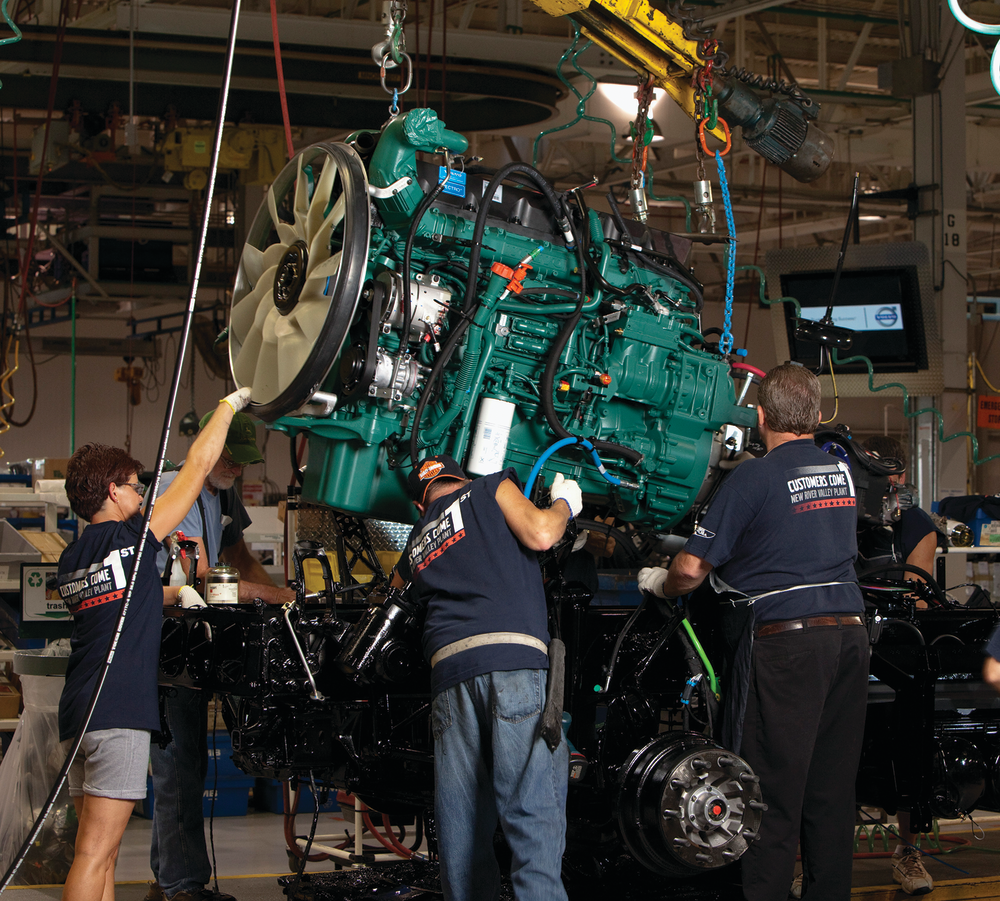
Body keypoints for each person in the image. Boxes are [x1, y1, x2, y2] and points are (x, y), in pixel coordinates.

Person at [637, 362, 868, 901]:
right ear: (814, 414)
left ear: (760, 415)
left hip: (787, 645)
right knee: (831, 794)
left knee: (770, 793)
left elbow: (692, 570)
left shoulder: (753, 477)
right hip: (850, 638)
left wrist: (657, 582)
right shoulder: (840, 472)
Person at [57, 388, 252, 901]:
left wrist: (178, 590)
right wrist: (228, 407)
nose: (141, 495)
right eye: (132, 486)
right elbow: (195, 469)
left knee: (101, 853)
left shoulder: (74, 558)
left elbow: (129, 595)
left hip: (78, 710)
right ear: (111, 492)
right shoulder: (132, 539)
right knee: (94, 854)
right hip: (118, 710)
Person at [388, 454, 581, 901]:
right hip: (511, 659)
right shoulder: (489, 487)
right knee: (532, 818)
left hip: (449, 675)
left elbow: (394, 593)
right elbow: (542, 532)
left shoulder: (417, 539)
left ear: (422, 504)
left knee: (462, 829)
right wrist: (564, 504)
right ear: (462, 478)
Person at [147, 409, 295, 901]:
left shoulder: (224, 490)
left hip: (198, 642)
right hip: (168, 644)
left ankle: (173, 878)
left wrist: (286, 601)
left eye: (244, 462)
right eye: (229, 458)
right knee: (178, 764)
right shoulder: (178, 487)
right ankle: (182, 886)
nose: (236, 469)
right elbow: (207, 576)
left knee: (188, 764)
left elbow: (240, 556)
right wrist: (278, 598)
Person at [859, 434, 940, 895]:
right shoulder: (841, 515)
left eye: (886, 471)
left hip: (897, 646)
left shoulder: (917, 524)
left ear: (902, 476)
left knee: (910, 742)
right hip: (845, 639)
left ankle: (907, 851)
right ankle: (810, 853)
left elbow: (918, 597)